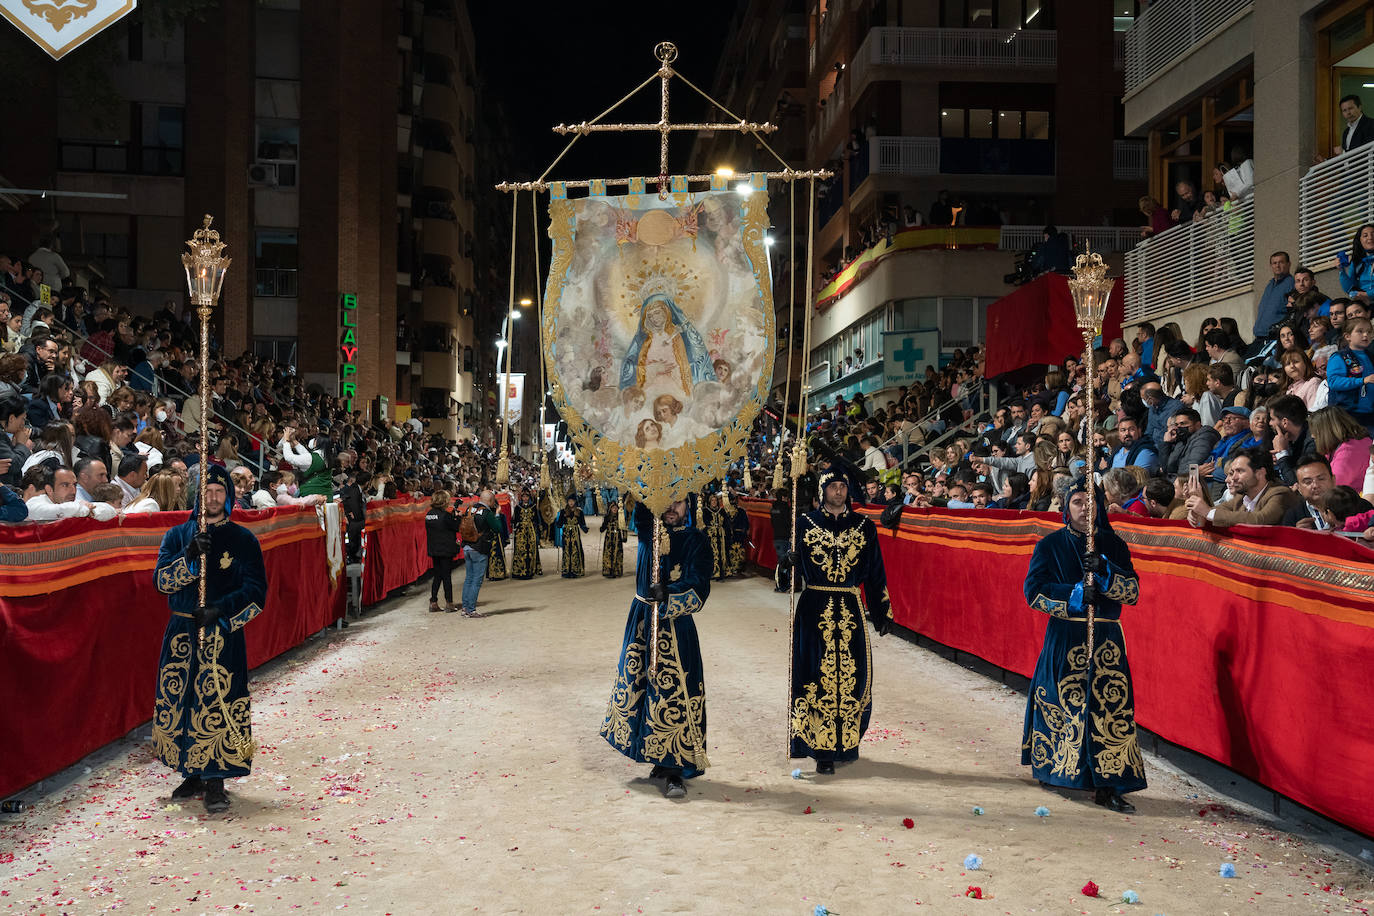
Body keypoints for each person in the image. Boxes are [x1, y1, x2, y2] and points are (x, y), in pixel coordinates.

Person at [1022, 477, 1144, 812]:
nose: (1084, 508)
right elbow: (1033, 592)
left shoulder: (1114, 545)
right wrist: (1075, 595)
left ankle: (1111, 784)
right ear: (1066, 508)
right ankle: (1058, 769)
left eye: (1091, 502)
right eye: (1077, 502)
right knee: (1066, 705)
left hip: (1106, 641)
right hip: (1066, 636)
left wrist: (1106, 571)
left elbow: (1133, 592)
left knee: (1109, 709)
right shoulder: (1049, 545)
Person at [152, 463, 267, 814]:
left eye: (220, 492)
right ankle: (192, 772)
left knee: (216, 701)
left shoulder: (242, 539)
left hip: (220, 633)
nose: (213, 498)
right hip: (181, 634)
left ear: (228, 496)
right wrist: (189, 559)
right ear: (198, 496)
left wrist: (220, 610)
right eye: (208, 492)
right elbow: (160, 583)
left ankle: (216, 779)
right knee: (183, 701)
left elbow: (256, 592)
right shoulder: (176, 536)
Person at [779, 466, 891, 775]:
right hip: (814, 608)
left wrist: (881, 611)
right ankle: (820, 749)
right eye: (832, 486)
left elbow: (876, 570)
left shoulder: (864, 526)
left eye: (842, 486)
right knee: (814, 676)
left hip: (850, 608)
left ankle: (846, 743)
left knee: (852, 676)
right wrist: (788, 563)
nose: (838, 491)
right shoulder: (804, 523)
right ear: (822, 491)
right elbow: (789, 571)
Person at [600, 496, 712, 800]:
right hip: (641, 621)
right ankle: (655, 759)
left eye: (679, 502)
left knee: (674, 694)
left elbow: (700, 585)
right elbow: (642, 508)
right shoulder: (650, 529)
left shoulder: (696, 540)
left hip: (675, 628)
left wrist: (670, 592)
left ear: (689, 506)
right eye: (666, 500)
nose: (672, 508)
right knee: (643, 691)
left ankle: (676, 769)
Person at [459, 491, 501, 617]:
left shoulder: (469, 508)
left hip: (466, 546)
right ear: (490, 501)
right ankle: (471, 610)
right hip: (479, 548)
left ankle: (465, 608)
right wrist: (497, 515)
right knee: (476, 580)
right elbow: (498, 528)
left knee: (469, 578)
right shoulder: (487, 513)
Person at [425, 489, 463, 613]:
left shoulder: (429, 514)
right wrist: (457, 518)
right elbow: (456, 527)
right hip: (446, 549)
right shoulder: (445, 516)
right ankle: (449, 603)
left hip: (434, 548)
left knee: (437, 575)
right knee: (446, 576)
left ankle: (433, 602)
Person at [1253, 251, 1295, 340]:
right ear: (1271, 266)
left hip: (1275, 337)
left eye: (1281, 262)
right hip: (1259, 336)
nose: (1277, 266)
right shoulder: (1270, 284)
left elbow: (1292, 314)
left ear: (1289, 264)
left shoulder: (1291, 283)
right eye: (1274, 263)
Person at [510, 488, 543, 578]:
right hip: (520, 532)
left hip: (531, 531)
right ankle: (519, 569)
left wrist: (538, 528)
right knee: (520, 549)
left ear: (529, 497)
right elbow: (514, 520)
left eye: (526, 496)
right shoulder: (518, 507)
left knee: (532, 549)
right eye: (523, 496)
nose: (525, 498)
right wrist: (513, 524)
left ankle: (533, 568)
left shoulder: (533, 507)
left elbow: (537, 519)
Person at [554, 494, 589, 577]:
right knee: (566, 551)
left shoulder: (579, 512)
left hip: (575, 533)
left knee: (575, 550)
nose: (571, 503)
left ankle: (575, 570)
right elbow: (560, 524)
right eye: (569, 501)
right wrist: (557, 521)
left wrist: (585, 529)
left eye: (572, 501)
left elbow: (582, 523)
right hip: (566, 534)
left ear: (575, 501)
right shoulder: (563, 511)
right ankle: (566, 570)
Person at [600, 499, 625, 577]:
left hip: (618, 538)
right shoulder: (607, 517)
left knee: (617, 553)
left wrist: (624, 537)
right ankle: (608, 570)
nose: (614, 509)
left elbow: (623, 527)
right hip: (609, 538)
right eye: (613, 508)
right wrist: (602, 528)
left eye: (616, 508)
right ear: (610, 509)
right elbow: (603, 527)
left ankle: (616, 570)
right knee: (608, 553)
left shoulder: (620, 517)